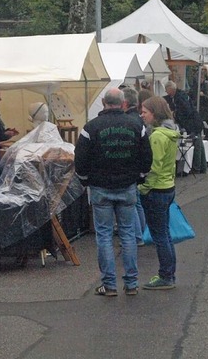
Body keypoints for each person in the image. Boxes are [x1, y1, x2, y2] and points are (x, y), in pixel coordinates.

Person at [74, 88, 152, 297]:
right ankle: (132, 283)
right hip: (127, 185)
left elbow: (80, 160)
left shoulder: (91, 128)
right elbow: (146, 156)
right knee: (128, 234)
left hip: (100, 187)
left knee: (105, 235)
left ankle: (109, 284)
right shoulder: (137, 126)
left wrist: (85, 180)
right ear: (123, 103)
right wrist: (140, 176)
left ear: (103, 102)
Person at [138, 97, 181, 290]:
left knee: (160, 235)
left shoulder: (156, 137)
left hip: (156, 189)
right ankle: (168, 272)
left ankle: (166, 275)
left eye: (145, 111)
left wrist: (142, 188)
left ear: (154, 113)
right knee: (164, 234)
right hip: (167, 186)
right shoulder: (170, 133)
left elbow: (152, 168)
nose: (142, 115)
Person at [122, 86, 147, 247]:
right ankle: (142, 234)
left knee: (133, 204)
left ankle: (138, 236)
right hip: (138, 169)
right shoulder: (138, 119)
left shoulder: (129, 121)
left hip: (131, 168)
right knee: (137, 204)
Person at [164, 81, 206, 173]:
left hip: (192, 123)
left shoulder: (179, 97)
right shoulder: (181, 95)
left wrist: (175, 113)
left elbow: (186, 110)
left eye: (166, 90)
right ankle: (202, 167)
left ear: (170, 89)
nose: (166, 92)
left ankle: (197, 168)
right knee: (199, 144)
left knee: (197, 144)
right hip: (195, 121)